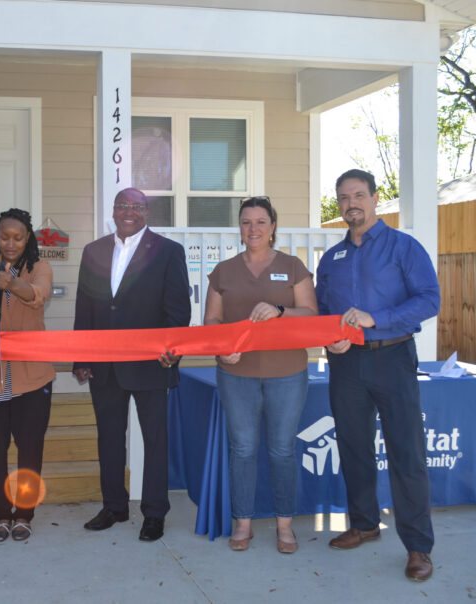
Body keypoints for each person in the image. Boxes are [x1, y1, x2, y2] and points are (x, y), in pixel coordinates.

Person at [316, 169, 439, 581]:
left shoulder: (403, 247)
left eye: (358, 195)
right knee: (353, 447)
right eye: (343, 197)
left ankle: (418, 547)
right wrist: (330, 339)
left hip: (393, 357)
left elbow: (429, 299)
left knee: (406, 452)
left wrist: (376, 318)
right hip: (346, 364)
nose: (351, 203)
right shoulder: (331, 259)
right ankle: (365, 523)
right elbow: (323, 312)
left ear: (374, 198)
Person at [73, 187, 191, 541]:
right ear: (113, 211)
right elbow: (84, 307)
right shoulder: (93, 251)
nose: (129, 211)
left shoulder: (168, 252)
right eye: (122, 205)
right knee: (109, 437)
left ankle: (154, 513)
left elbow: (178, 309)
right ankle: (114, 506)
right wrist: (81, 357)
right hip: (104, 365)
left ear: (147, 212)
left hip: (151, 364)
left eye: (137, 206)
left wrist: (172, 351)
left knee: (155, 440)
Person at [203, 196, 317, 553]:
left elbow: (311, 315)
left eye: (260, 222)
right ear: (240, 228)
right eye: (246, 222)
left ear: (273, 227)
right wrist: (222, 349)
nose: (253, 228)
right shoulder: (223, 271)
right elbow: (211, 321)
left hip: (288, 373)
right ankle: (243, 523)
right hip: (237, 374)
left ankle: (285, 526)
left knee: (282, 450)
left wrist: (282, 310)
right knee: (243, 449)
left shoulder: (293, 266)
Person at [0, 208, 55, 542]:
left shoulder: (39, 267)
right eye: (5, 237)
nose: (11, 243)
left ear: (27, 238)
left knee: (29, 451)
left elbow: (38, 295)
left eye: (18, 237)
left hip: (33, 378)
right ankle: (1, 515)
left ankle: (24, 516)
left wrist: (13, 283)